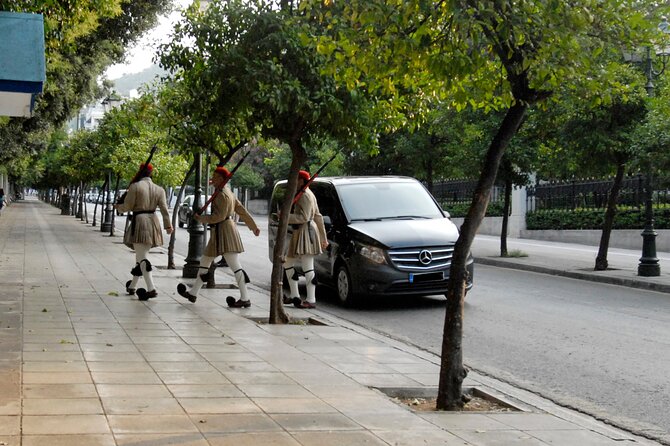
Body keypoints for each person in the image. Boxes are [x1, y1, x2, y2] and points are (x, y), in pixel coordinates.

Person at [177, 166, 260, 307]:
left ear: (221, 178)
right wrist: (253, 226)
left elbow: (219, 216)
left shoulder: (222, 194)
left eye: (215, 176)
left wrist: (201, 218)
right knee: (205, 261)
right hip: (220, 232)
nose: (213, 179)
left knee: (234, 265)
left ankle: (245, 298)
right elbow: (241, 210)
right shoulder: (226, 192)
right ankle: (193, 293)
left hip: (225, 231)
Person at [115, 163, 173, 300]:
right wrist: (168, 226)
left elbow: (128, 206)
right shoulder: (160, 189)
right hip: (153, 221)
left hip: (140, 221)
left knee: (142, 258)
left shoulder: (135, 187)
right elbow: (165, 210)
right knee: (140, 257)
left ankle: (151, 288)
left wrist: (118, 207)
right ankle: (132, 286)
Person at [283, 170, 329, 309]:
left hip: (305, 231)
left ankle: (311, 299)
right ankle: (295, 295)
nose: (294, 182)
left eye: (296, 180)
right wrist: (323, 237)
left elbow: (304, 217)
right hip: (301, 231)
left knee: (308, 267)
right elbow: (318, 216)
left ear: (302, 181)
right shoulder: (305, 194)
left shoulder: (305, 195)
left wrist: (285, 217)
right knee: (287, 263)